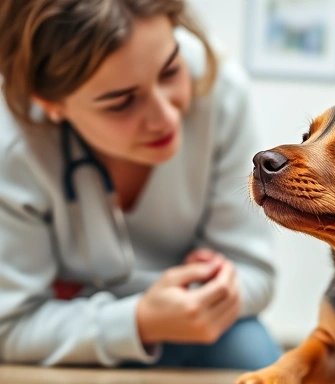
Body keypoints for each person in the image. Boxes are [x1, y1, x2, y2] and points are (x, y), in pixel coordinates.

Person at [0, 0, 281, 369]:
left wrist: (218, 289)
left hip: (196, 327)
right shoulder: (12, 146)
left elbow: (255, 275)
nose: (165, 117)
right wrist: (138, 321)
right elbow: (11, 326)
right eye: (121, 102)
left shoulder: (223, 92)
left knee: (249, 350)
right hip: (66, 327)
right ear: (52, 104)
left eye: (170, 71)